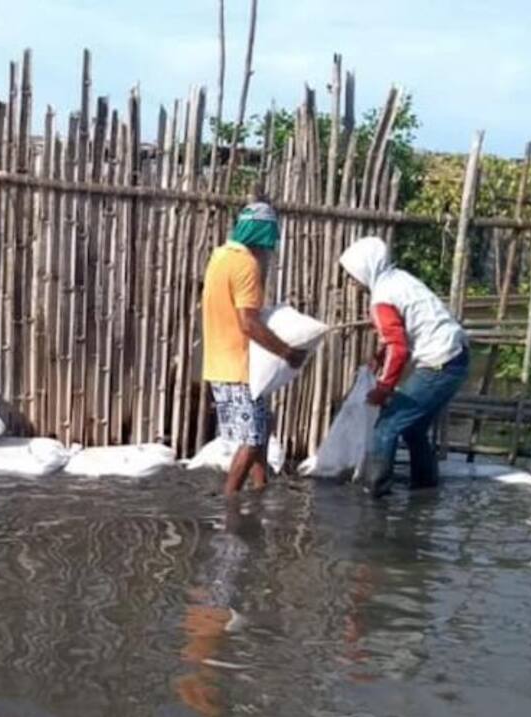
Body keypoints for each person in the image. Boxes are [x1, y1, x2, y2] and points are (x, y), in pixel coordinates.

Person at [339, 236, 470, 498]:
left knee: (387, 426)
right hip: (457, 356)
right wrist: (380, 353)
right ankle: (425, 492)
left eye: (353, 275)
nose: (353, 282)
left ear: (366, 268)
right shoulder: (399, 279)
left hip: (439, 362)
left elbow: (398, 349)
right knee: (413, 428)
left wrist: (383, 389)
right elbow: (404, 331)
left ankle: (375, 496)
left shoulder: (381, 298)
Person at [201, 202, 307, 497]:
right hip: (239, 368)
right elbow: (248, 323)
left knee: (262, 427)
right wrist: (287, 351)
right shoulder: (245, 265)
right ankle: (229, 500)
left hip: (219, 363)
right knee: (251, 438)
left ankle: (260, 487)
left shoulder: (220, 255)